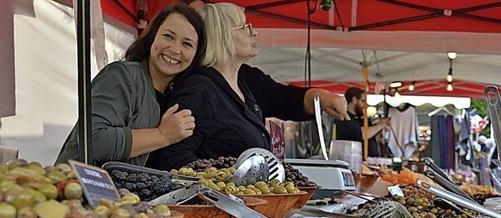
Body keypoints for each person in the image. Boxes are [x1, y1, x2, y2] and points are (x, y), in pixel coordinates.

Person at [147, 2, 349, 170]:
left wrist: (320, 97)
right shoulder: (199, 90)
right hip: (219, 211)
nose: (254, 33)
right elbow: (172, 157)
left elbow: (282, 98)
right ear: (224, 35)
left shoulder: (244, 80)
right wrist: (226, 180)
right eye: (245, 27)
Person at [56, 4, 206, 166]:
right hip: (79, 186)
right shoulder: (121, 76)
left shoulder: (178, 97)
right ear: (153, 36)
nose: (175, 49)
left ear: (196, 54)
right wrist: (163, 135)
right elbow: (93, 141)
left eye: (187, 44)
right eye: (168, 36)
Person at [335, 87, 389, 157]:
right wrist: (380, 125)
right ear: (354, 100)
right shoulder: (344, 119)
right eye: (362, 101)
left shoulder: (360, 119)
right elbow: (362, 133)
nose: (365, 105)